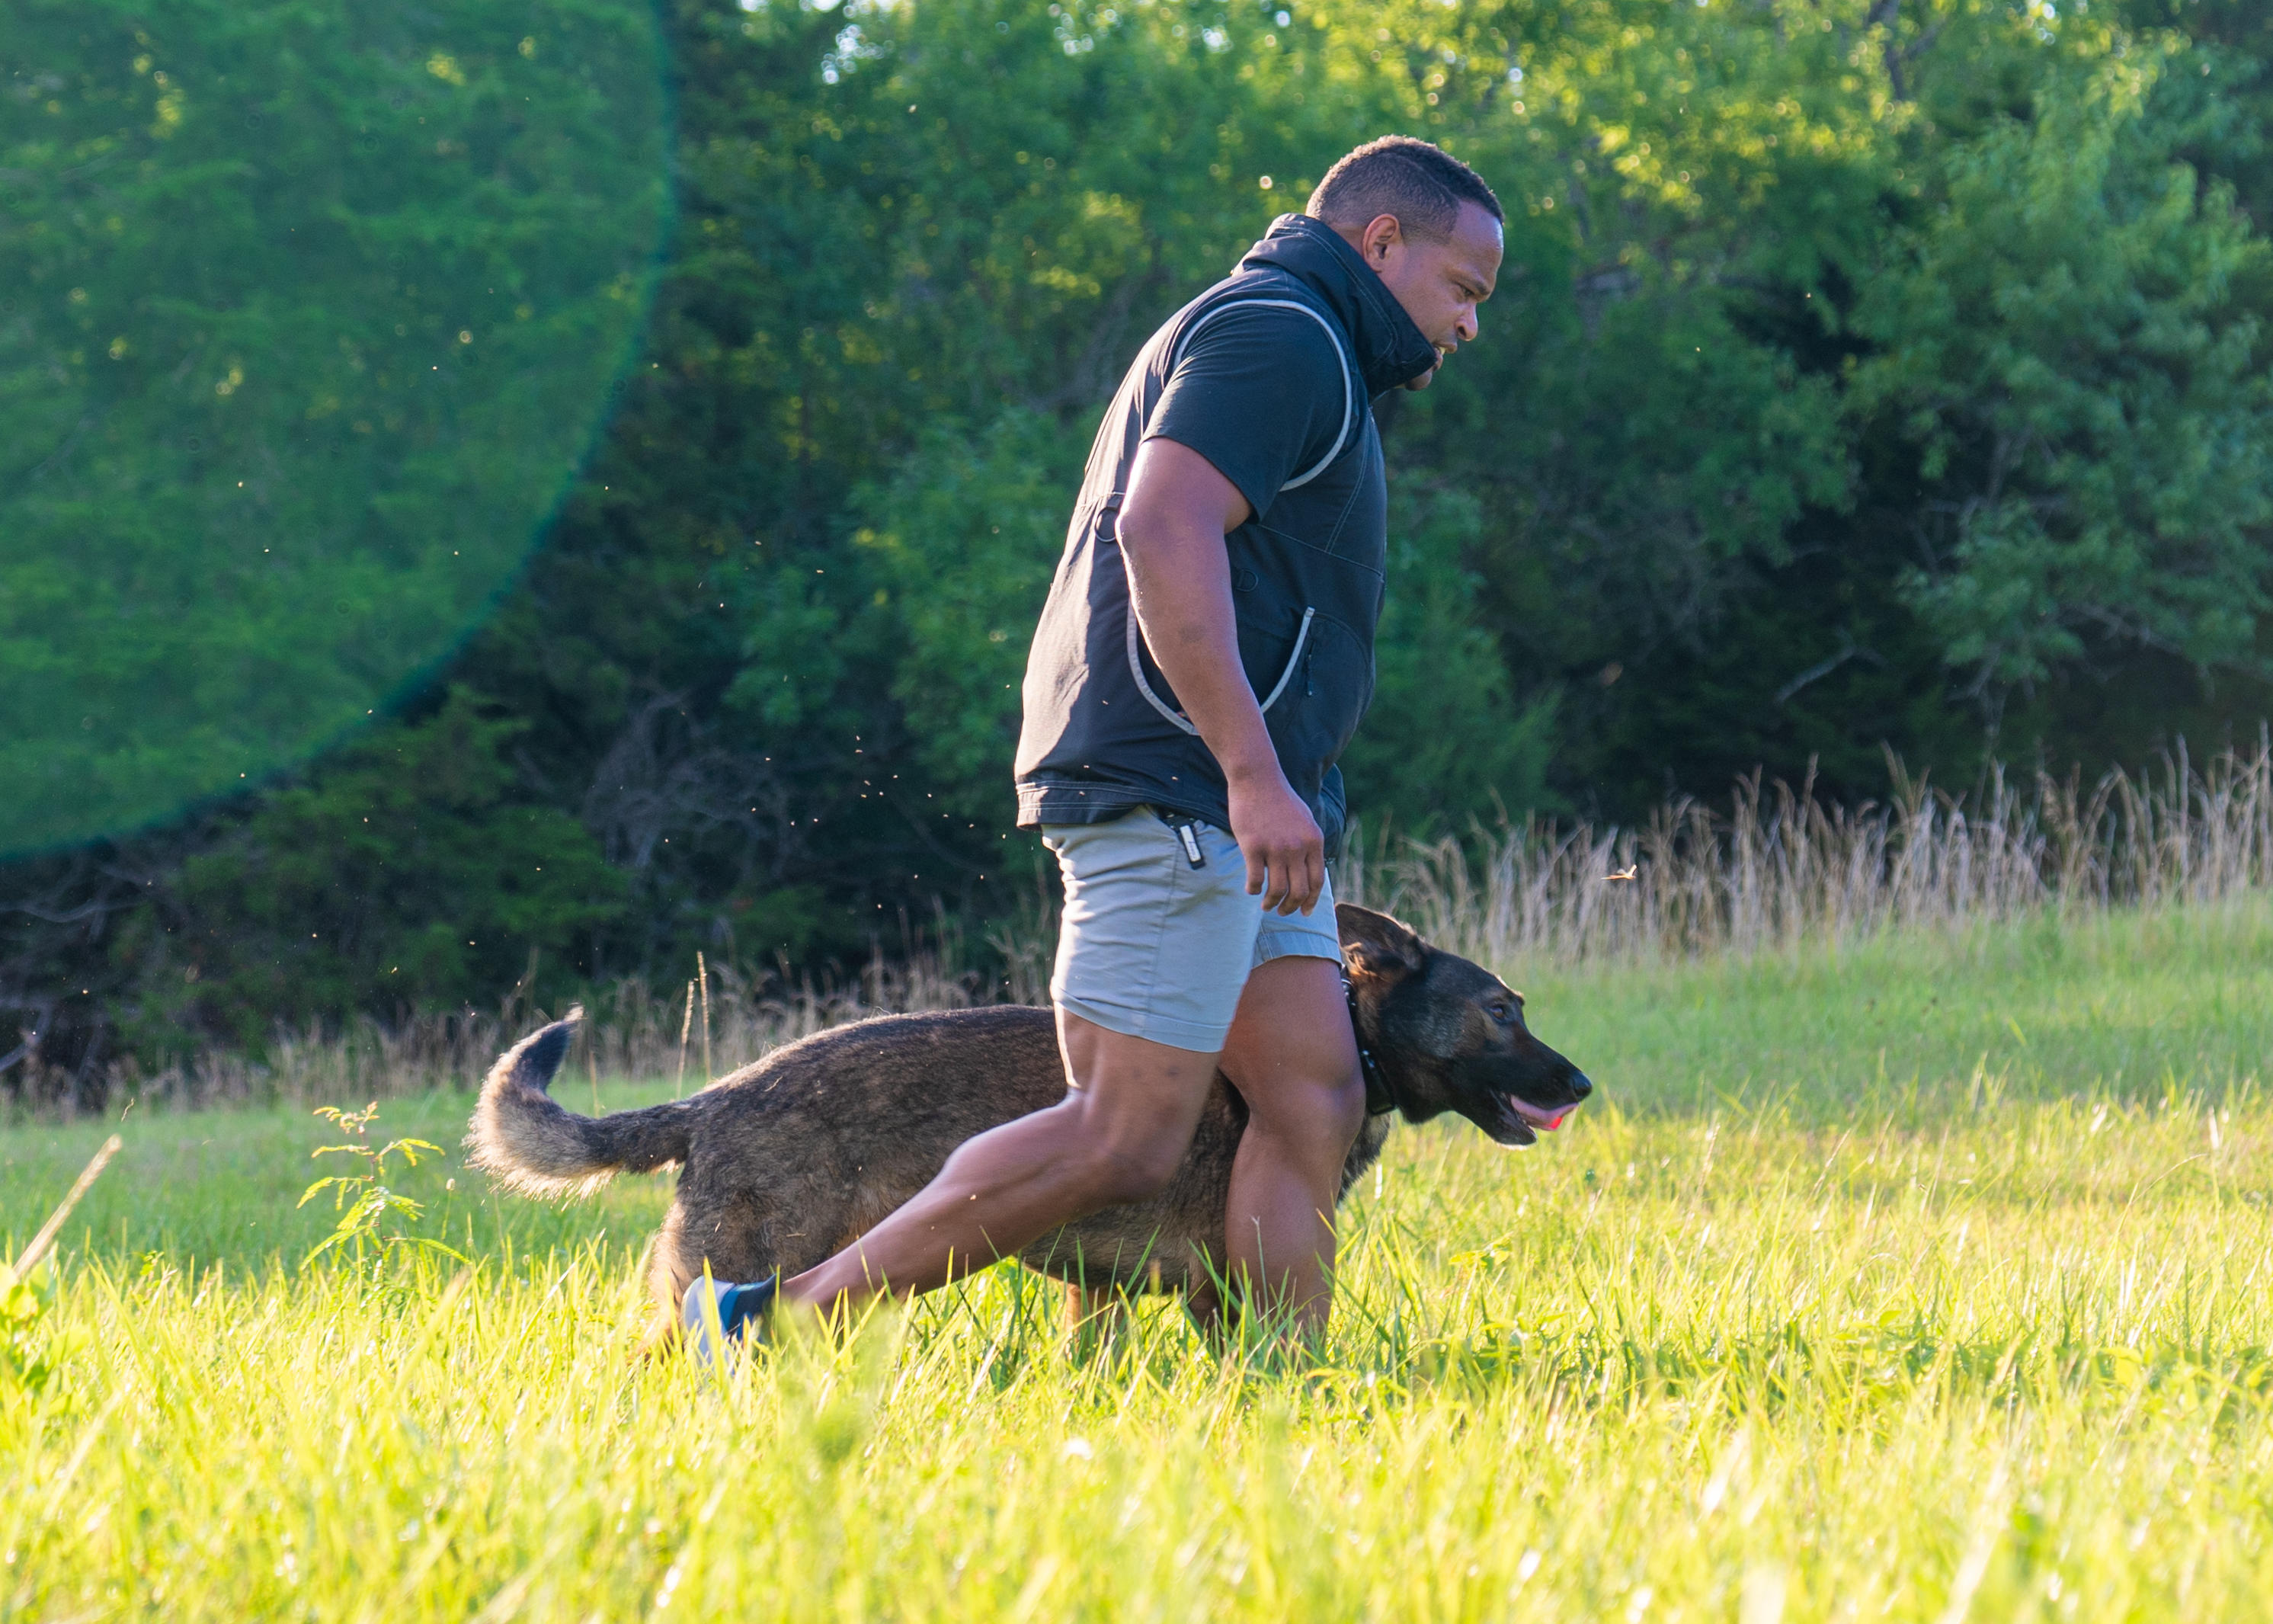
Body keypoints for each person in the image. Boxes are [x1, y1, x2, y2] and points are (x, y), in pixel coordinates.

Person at [689, 135, 1503, 1348]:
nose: (1467, 325)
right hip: (1191, 788)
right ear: (1382, 243)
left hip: (1253, 805)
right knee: (1126, 1135)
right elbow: (1161, 527)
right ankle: (771, 1320)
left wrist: (1282, 787)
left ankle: (1282, 1388)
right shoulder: (1279, 334)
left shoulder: (1312, 348)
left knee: (1313, 1098)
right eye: (1462, 289)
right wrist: (1248, 771)